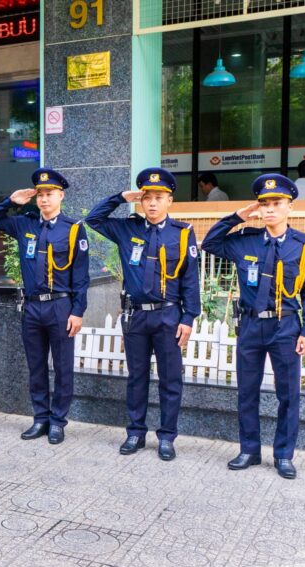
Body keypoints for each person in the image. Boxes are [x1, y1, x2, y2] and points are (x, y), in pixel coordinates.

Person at [201, 173, 305, 480]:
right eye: (264, 204)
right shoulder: (246, 240)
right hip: (251, 326)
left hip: (286, 327)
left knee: (288, 395)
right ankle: (249, 450)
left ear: (290, 207)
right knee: (247, 391)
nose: (270, 209)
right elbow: (210, 243)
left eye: (277, 203)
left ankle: (283, 455)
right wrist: (237, 217)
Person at [85, 168, 201, 461]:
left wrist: (189, 318)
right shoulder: (127, 229)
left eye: (159, 198)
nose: (152, 203)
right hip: (136, 316)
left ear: (169, 201)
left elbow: (190, 278)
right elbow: (93, 219)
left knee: (170, 379)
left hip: (168, 316)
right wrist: (121, 197)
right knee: (136, 377)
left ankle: (167, 437)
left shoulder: (182, 233)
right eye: (146, 197)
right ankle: (135, 432)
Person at [0, 168, 89, 444]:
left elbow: (81, 276)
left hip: (61, 306)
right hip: (32, 307)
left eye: (49, 194)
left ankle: (58, 421)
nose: (44, 199)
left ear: (61, 196)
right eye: (40, 194)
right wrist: (11, 201)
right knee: (36, 367)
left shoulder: (73, 229)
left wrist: (78, 311)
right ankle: (40, 418)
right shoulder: (24, 224)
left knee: (63, 368)